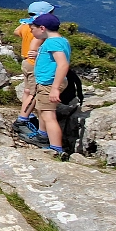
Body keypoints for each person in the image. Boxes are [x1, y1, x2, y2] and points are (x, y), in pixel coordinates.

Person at [29, 12, 71, 154]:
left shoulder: (53, 43)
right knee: (42, 110)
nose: (31, 31)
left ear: (42, 28)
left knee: (49, 116)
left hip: (49, 84)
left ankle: (56, 149)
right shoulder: (61, 40)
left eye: (32, 28)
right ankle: (42, 134)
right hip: (47, 82)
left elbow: (63, 64)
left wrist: (54, 89)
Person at [12, 1, 53, 138]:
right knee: (34, 94)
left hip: (25, 63)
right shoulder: (42, 30)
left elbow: (16, 31)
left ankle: (26, 115)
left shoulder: (27, 26)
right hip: (34, 64)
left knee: (27, 91)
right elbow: (35, 48)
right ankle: (22, 120)